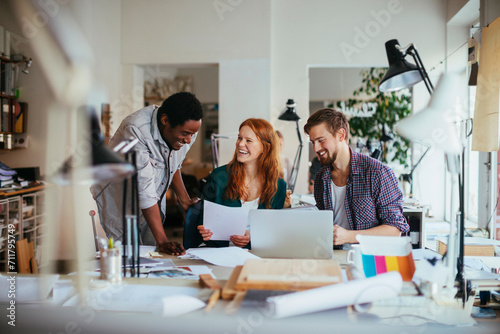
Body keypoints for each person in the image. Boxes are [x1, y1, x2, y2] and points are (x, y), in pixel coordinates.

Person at [91, 92, 203, 255]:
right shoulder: (136, 129)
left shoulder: (189, 127)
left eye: (192, 134)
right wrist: (163, 240)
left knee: (154, 255)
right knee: (128, 256)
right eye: (185, 134)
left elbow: (173, 164)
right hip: (120, 198)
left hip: (150, 198)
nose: (188, 140)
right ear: (165, 121)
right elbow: (144, 189)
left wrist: (184, 200)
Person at [303, 108, 409, 246]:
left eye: (321, 140)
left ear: (341, 135)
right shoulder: (321, 178)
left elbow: (395, 230)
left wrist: (349, 236)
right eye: (313, 142)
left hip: (366, 259)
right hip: (330, 255)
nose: (316, 148)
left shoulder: (377, 173)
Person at [197, 118, 287, 248]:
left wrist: (252, 237)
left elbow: (275, 232)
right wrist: (204, 230)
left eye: (248, 140)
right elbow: (202, 220)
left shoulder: (278, 186)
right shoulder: (218, 177)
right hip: (219, 252)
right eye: (239, 138)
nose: (240, 144)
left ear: (265, 147)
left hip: (256, 254)